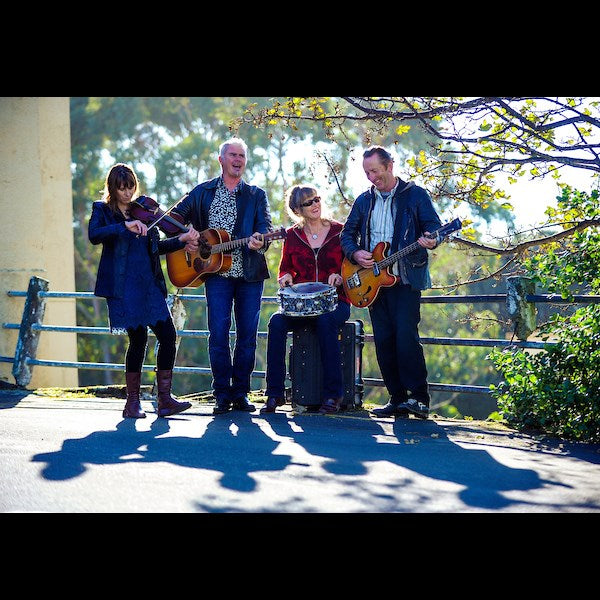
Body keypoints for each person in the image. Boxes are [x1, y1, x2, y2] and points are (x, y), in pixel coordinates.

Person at [88, 163, 199, 419]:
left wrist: (181, 240)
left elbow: (156, 248)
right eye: (121, 188)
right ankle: (132, 403)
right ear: (112, 188)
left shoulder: (146, 212)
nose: (127, 193)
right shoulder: (103, 211)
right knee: (137, 341)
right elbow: (94, 235)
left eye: (130, 187)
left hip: (148, 284)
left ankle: (165, 400)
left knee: (168, 336)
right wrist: (123, 227)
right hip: (124, 286)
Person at [172, 137, 274, 415]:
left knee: (247, 335)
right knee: (217, 333)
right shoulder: (202, 192)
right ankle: (221, 394)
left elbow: (266, 228)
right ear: (221, 159)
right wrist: (185, 239)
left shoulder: (256, 194)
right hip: (215, 274)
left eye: (242, 155)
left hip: (249, 274)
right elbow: (172, 220)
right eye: (233, 155)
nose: (238, 160)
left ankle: (240, 393)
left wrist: (260, 241)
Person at [340, 146, 441, 419]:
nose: (372, 177)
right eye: (367, 172)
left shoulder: (416, 196)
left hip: (406, 278)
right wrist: (355, 252)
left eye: (375, 171)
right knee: (384, 341)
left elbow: (434, 229)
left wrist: (433, 239)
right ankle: (396, 399)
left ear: (389, 166)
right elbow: (346, 235)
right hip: (373, 283)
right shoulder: (363, 201)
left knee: (406, 337)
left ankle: (419, 399)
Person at [262, 185, 351, 415]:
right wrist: (286, 278)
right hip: (301, 307)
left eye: (317, 199)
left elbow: (353, 267)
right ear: (297, 209)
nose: (315, 205)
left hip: (335, 303)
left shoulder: (340, 232)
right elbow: (284, 270)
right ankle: (275, 393)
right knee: (276, 322)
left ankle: (333, 395)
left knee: (325, 321)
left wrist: (340, 276)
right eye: (309, 202)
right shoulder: (292, 235)